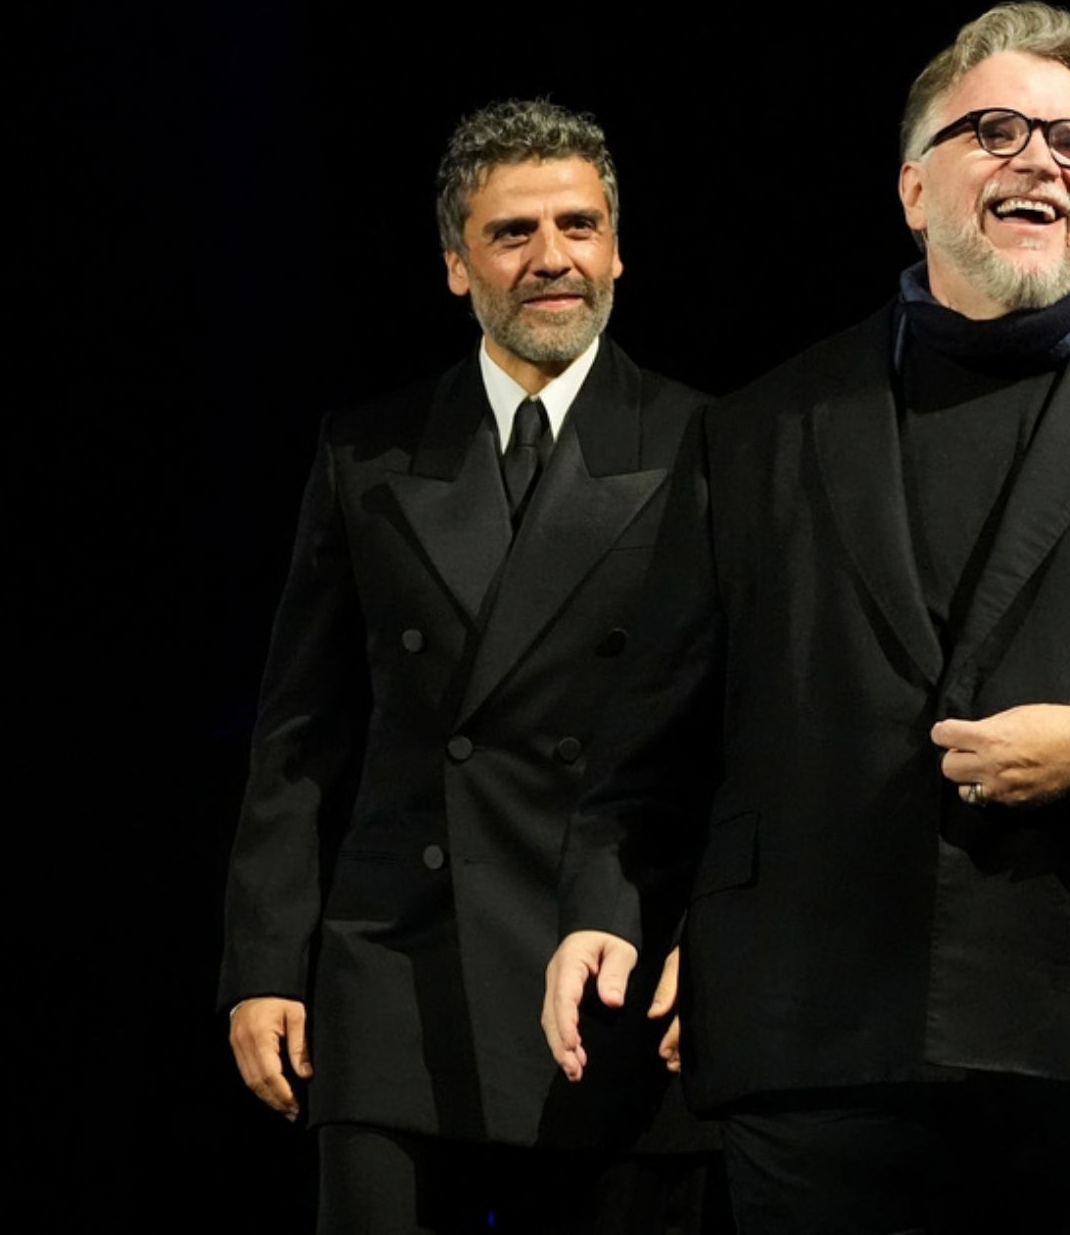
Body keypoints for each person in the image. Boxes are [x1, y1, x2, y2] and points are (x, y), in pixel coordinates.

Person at [542, 1, 1070, 1233]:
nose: (1042, 159)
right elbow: (655, 728)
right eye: (998, 130)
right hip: (821, 1048)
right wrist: (607, 907)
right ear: (915, 187)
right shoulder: (759, 431)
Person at [220, 98, 709, 1231]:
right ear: (456, 263)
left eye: (579, 227)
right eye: (513, 234)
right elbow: (300, 732)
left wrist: (709, 938)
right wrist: (262, 962)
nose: (553, 260)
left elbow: (744, 732)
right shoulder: (369, 450)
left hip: (616, 966)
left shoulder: (708, 444)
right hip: (398, 971)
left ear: (619, 249)